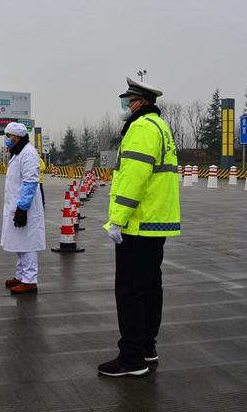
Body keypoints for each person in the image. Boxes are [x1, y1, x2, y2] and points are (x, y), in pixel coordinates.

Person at [98, 77, 181, 377]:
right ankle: (146, 347)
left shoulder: (142, 128)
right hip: (156, 221)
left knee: (130, 291)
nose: (124, 105)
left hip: (138, 222)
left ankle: (131, 357)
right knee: (149, 287)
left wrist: (117, 219)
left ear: (141, 102)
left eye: (127, 99)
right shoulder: (161, 127)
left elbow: (133, 179)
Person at [1, 122, 45, 294]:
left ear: (18, 137)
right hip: (16, 206)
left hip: (25, 207)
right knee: (19, 243)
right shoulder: (18, 153)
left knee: (27, 244)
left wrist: (23, 207)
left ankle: (30, 280)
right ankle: (20, 276)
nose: (7, 140)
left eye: (9, 137)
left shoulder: (28, 153)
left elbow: (31, 181)